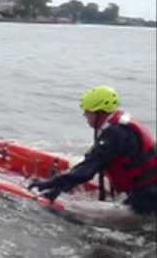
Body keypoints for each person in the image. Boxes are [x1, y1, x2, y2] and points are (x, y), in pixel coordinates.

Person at [28, 85, 157, 215]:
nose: (85, 115)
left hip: (148, 195)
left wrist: (48, 184)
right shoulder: (118, 127)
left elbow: (87, 170)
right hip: (148, 187)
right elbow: (92, 162)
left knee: (78, 215)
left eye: (88, 111)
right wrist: (60, 186)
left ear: (100, 112)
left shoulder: (115, 134)